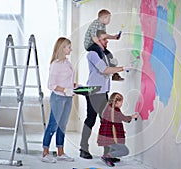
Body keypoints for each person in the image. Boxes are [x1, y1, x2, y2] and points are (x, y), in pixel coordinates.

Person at [79, 29, 125, 159]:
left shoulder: (104, 54)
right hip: (93, 92)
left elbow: (109, 69)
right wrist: (122, 68)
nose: (107, 42)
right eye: (105, 39)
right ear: (97, 40)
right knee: (91, 119)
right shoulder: (92, 54)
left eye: (107, 39)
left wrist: (117, 71)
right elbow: (104, 70)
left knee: (107, 122)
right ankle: (83, 149)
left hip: (103, 92)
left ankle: (108, 153)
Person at [41, 37, 75, 163]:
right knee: (53, 125)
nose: (71, 49)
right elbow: (51, 85)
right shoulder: (55, 64)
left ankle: (60, 153)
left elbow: (66, 80)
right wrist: (65, 89)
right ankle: (45, 153)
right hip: (58, 98)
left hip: (68, 98)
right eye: (69, 47)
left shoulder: (67, 62)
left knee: (62, 126)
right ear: (62, 48)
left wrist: (74, 86)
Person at [98, 92, 138, 167]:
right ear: (117, 102)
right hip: (110, 137)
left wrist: (120, 131)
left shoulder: (108, 108)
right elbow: (124, 118)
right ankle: (107, 156)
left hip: (106, 135)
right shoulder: (115, 110)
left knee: (114, 146)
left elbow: (113, 122)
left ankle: (111, 157)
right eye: (121, 102)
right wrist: (133, 116)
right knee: (125, 151)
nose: (122, 104)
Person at [84, 9, 124, 81]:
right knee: (101, 52)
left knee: (108, 54)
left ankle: (114, 74)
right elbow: (94, 38)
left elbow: (103, 36)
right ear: (102, 18)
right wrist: (101, 46)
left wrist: (114, 37)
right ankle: (105, 69)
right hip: (90, 44)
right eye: (108, 18)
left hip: (97, 43)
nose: (109, 20)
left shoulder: (103, 25)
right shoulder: (95, 24)